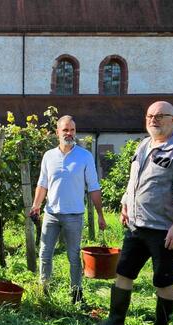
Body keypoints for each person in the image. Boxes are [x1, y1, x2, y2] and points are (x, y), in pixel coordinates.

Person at [100, 101, 173, 325]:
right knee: (123, 273)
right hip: (135, 226)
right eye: (150, 116)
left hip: (163, 230)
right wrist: (126, 202)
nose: (153, 120)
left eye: (160, 116)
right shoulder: (144, 145)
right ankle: (115, 322)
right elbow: (133, 180)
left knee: (163, 280)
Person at [30, 115, 107, 304]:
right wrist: (36, 205)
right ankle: (44, 290)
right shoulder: (49, 156)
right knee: (45, 253)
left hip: (74, 215)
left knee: (73, 255)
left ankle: (77, 293)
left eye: (72, 130)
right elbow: (42, 183)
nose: (69, 133)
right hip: (51, 214)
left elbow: (94, 186)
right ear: (57, 132)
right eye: (65, 130)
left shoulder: (84, 156)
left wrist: (100, 215)